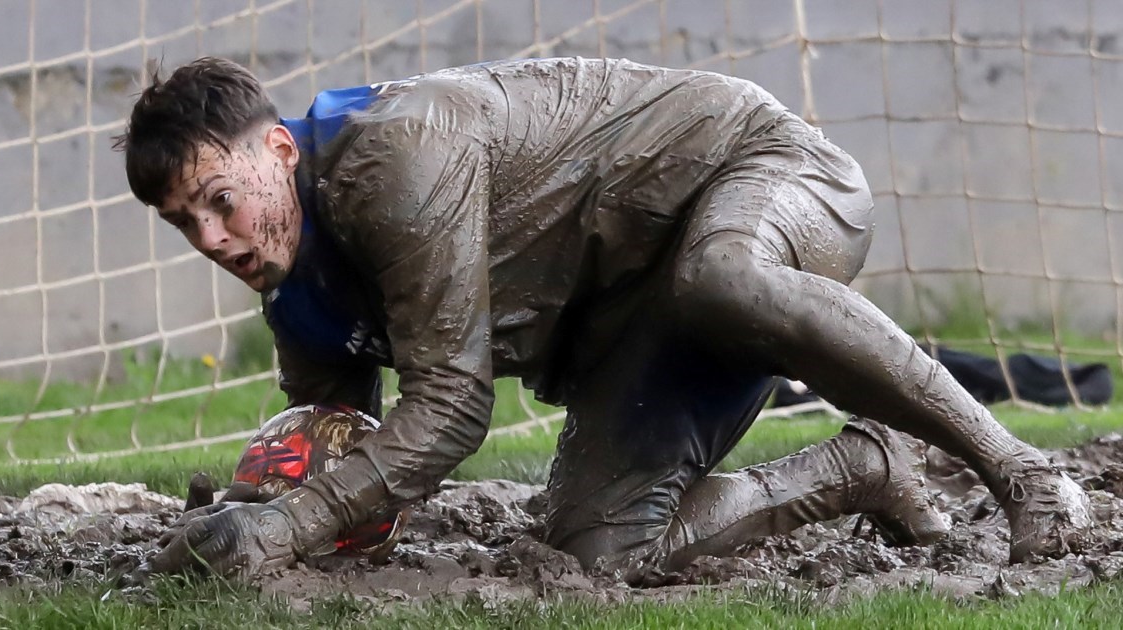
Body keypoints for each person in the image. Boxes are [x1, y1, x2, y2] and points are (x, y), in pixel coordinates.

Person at [117, 56, 1091, 583]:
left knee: (721, 276)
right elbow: (343, 449)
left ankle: (1023, 472)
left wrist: (284, 530)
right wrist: (265, 514)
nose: (210, 236)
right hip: (639, 319)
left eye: (218, 200)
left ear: (278, 149)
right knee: (596, 556)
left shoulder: (392, 159)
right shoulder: (292, 290)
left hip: (758, 175)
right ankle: (858, 467)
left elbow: (452, 408)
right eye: (183, 223)